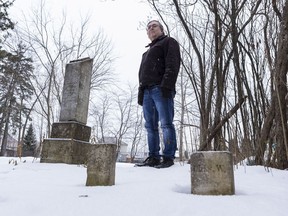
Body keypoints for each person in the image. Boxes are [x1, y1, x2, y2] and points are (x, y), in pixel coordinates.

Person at [136, 20, 181, 168]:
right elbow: (142, 75)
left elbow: (173, 64)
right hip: (147, 91)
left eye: (154, 26)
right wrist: (141, 93)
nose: (151, 28)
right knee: (150, 126)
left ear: (161, 29)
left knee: (166, 123)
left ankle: (168, 157)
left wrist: (167, 86)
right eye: (148, 27)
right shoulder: (146, 53)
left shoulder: (168, 42)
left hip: (161, 89)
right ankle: (153, 157)